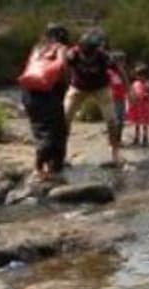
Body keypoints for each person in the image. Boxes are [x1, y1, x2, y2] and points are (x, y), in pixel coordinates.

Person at [19, 24, 71, 181]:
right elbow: (63, 68)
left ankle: (49, 166)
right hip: (48, 94)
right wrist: (66, 86)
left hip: (28, 93)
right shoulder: (61, 48)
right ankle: (41, 168)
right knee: (54, 132)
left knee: (40, 130)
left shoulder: (37, 49)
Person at [63, 29, 122, 166]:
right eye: (86, 53)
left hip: (101, 88)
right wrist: (65, 86)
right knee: (65, 118)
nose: (89, 56)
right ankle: (61, 153)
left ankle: (115, 154)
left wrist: (129, 90)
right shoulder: (73, 54)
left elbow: (120, 70)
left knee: (112, 120)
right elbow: (64, 68)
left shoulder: (103, 55)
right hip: (78, 87)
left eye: (92, 53)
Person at [126, 64, 149, 147]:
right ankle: (136, 137)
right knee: (137, 123)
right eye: (137, 75)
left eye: (141, 75)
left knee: (145, 123)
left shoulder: (148, 84)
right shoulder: (135, 83)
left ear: (145, 75)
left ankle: (145, 137)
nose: (139, 77)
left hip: (145, 106)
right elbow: (132, 93)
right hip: (137, 105)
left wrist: (146, 96)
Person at [107, 51, 129, 145]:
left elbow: (126, 85)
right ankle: (113, 140)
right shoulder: (109, 72)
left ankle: (118, 139)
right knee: (115, 119)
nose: (123, 63)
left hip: (121, 98)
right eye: (121, 61)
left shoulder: (122, 73)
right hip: (113, 98)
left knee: (121, 119)